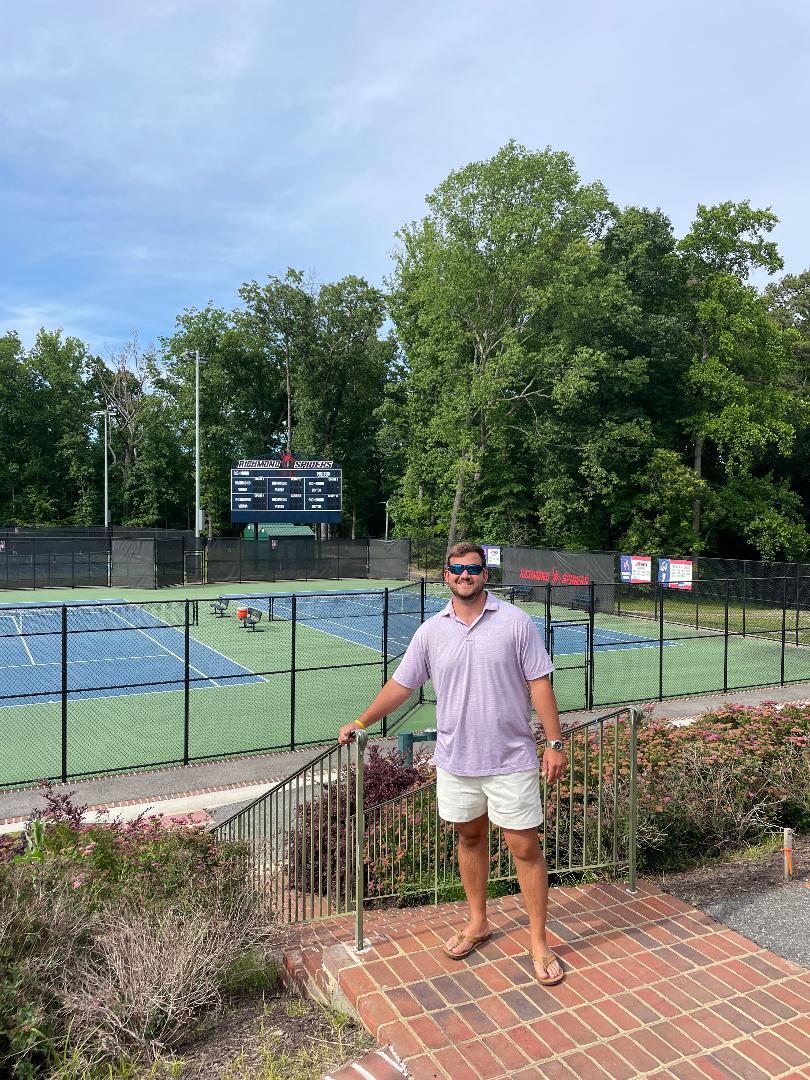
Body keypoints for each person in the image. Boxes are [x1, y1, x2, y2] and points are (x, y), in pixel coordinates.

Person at [338, 541, 568, 985]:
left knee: (524, 848)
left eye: (473, 568)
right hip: (456, 761)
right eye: (457, 569)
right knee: (469, 838)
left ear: (485, 574)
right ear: (446, 576)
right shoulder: (430, 632)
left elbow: (540, 685)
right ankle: (478, 921)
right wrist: (361, 719)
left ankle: (539, 941)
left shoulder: (516, 623)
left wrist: (554, 742)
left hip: (511, 760)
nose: (465, 575)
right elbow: (402, 685)